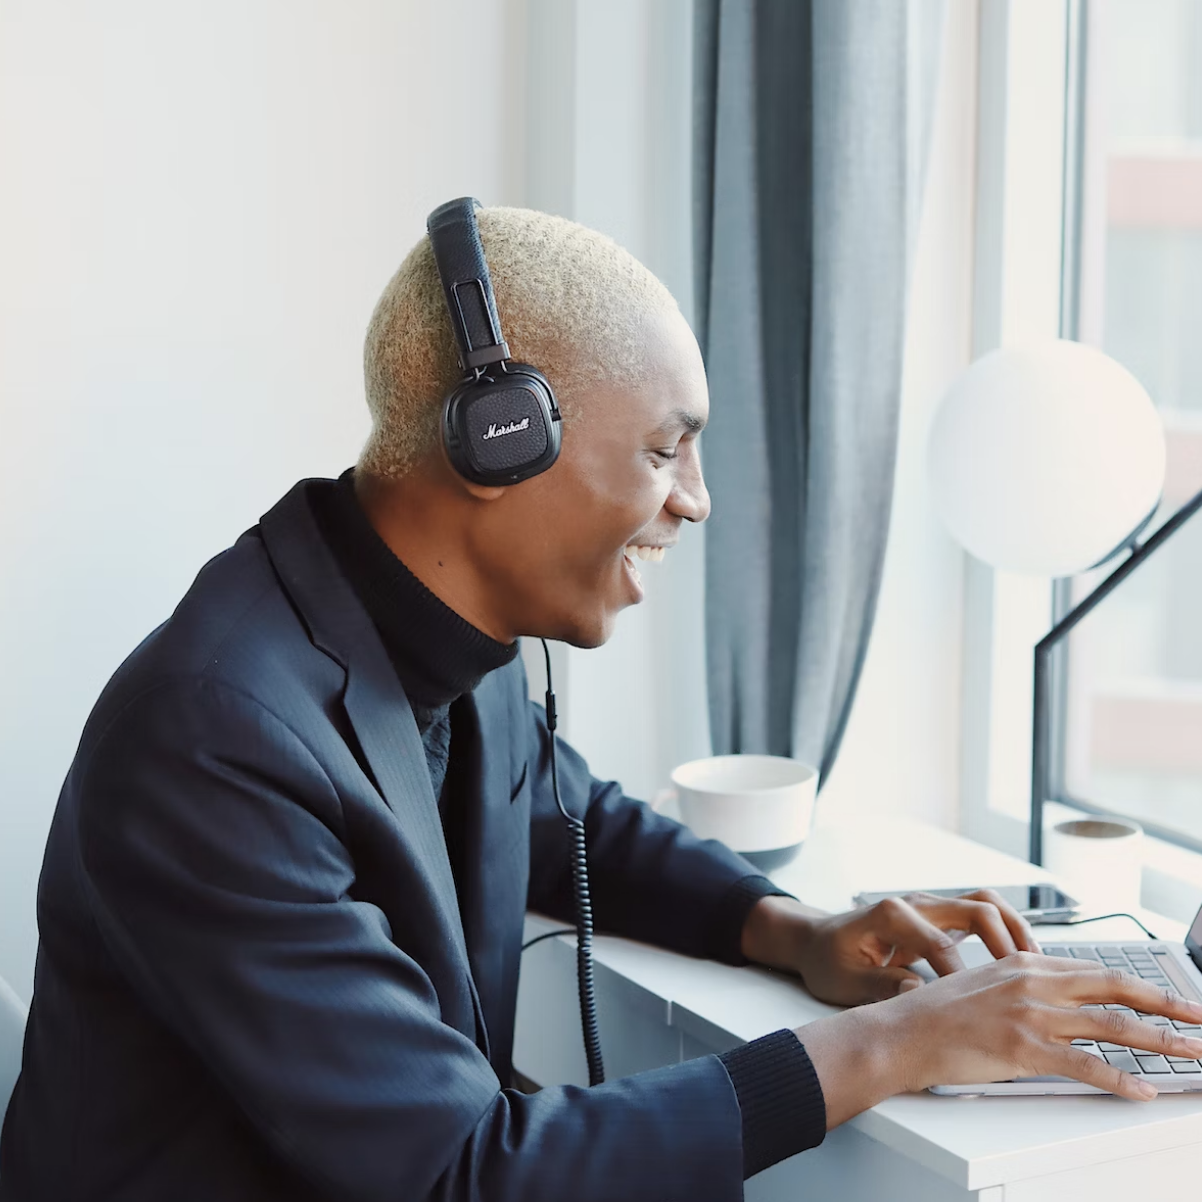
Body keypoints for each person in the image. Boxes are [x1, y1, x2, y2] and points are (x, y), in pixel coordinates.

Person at [3, 205, 1200, 1202]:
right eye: (664, 449)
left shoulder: (431, 637)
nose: (696, 500)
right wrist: (903, 1041)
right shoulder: (215, 738)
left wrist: (800, 931)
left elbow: (574, 822)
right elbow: (456, 1170)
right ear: (499, 443)